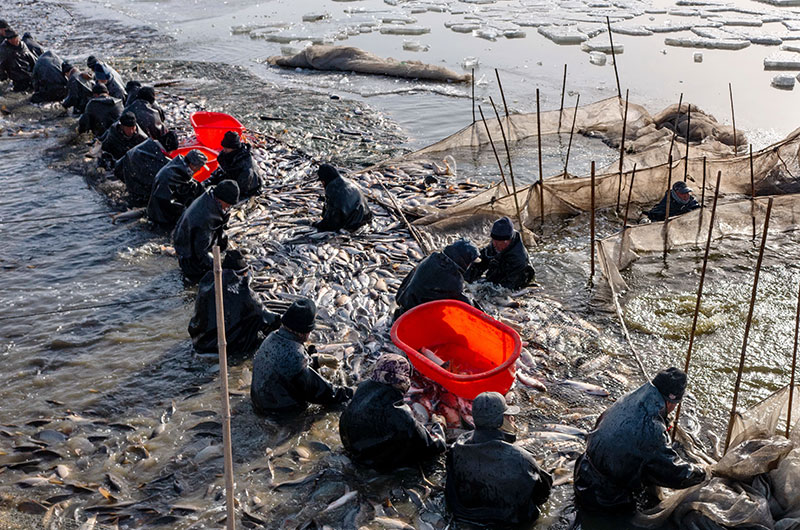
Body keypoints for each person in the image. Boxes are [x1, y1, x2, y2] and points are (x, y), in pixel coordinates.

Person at [573, 367, 707, 515]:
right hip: (605, 497)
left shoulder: (630, 398)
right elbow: (674, 472)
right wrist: (702, 472)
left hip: (582, 473)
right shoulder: (652, 428)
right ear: (671, 402)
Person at [446, 392, 552, 527]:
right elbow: (543, 494)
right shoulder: (522, 460)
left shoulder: (456, 449)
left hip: (465, 519)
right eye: (508, 416)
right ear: (500, 422)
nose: (512, 419)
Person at [339, 353, 446, 471]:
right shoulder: (400, 415)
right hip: (381, 469)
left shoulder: (357, 399)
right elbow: (434, 447)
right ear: (403, 381)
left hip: (356, 457)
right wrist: (439, 426)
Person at [250, 298, 353, 415]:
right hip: (279, 412)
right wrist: (350, 393)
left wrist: (316, 361)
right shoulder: (295, 355)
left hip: (259, 404)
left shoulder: (271, 338)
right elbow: (319, 391)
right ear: (304, 332)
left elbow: (287, 370)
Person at [188, 249, 280, 356]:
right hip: (227, 349)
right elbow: (266, 318)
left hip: (200, 343)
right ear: (244, 273)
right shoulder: (243, 291)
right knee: (256, 318)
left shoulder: (206, 283)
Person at [172, 180, 239, 283]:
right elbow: (201, 252)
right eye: (228, 204)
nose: (229, 207)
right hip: (189, 258)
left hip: (186, 244)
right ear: (221, 199)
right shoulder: (206, 218)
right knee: (201, 281)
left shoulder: (209, 195)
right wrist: (218, 267)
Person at [394, 239, 479, 319]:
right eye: (470, 263)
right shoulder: (453, 278)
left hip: (402, 301)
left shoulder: (432, 257)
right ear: (465, 261)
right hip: (413, 315)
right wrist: (480, 313)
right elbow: (465, 304)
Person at [465, 216, 535, 290]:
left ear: (507, 241)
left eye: (498, 243)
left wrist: (485, 290)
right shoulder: (495, 245)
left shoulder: (519, 259)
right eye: (493, 240)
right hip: (497, 275)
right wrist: (466, 280)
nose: (494, 244)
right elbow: (480, 263)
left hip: (516, 283)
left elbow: (508, 287)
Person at [147, 149, 207, 228]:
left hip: (167, 200)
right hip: (161, 214)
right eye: (199, 167)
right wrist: (188, 212)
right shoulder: (170, 176)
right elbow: (166, 201)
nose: (199, 170)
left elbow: (190, 184)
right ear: (192, 165)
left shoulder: (180, 166)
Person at [114, 131, 178, 206]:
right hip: (141, 199)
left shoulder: (143, 145)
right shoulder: (160, 163)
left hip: (129, 190)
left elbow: (117, 168)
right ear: (169, 148)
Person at [312, 163, 372, 232]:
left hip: (355, 224)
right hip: (366, 217)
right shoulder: (346, 182)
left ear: (324, 180)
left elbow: (331, 222)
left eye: (322, 181)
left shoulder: (334, 191)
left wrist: (315, 224)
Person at [203, 131, 262, 199]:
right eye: (224, 147)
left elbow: (242, 187)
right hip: (232, 177)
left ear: (235, 148)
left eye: (227, 148)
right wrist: (208, 181)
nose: (224, 150)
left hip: (247, 188)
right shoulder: (227, 154)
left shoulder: (246, 165)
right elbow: (221, 169)